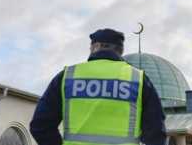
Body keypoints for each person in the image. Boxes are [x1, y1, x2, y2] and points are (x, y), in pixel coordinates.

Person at [30, 28, 166, 145]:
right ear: (121, 50)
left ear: (95, 47)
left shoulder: (68, 76)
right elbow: (156, 132)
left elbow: (40, 126)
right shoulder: (138, 79)